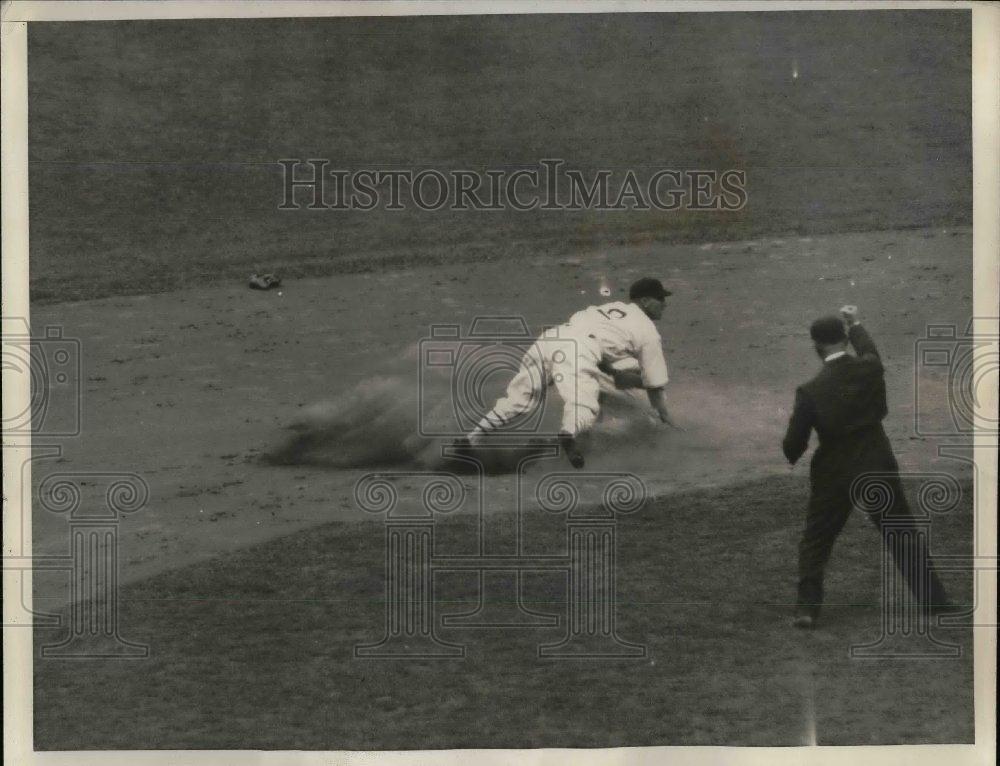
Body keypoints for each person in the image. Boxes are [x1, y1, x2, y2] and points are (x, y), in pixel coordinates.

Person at [782, 305, 951, 629]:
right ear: (844, 341)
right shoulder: (869, 368)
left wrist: (792, 451)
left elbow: (794, 444)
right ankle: (934, 601)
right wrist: (855, 323)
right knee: (901, 532)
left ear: (816, 346)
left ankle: (807, 608)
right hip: (876, 461)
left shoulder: (810, 391)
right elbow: (870, 352)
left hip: (834, 472)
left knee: (817, 539)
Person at [465, 277, 682, 468]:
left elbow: (594, 342)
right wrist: (665, 416)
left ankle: (471, 439)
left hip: (552, 338)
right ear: (645, 301)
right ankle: (568, 435)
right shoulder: (647, 331)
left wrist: (613, 372)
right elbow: (655, 385)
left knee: (518, 399)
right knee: (583, 405)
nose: (665, 304)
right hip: (579, 351)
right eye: (660, 299)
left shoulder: (610, 308)